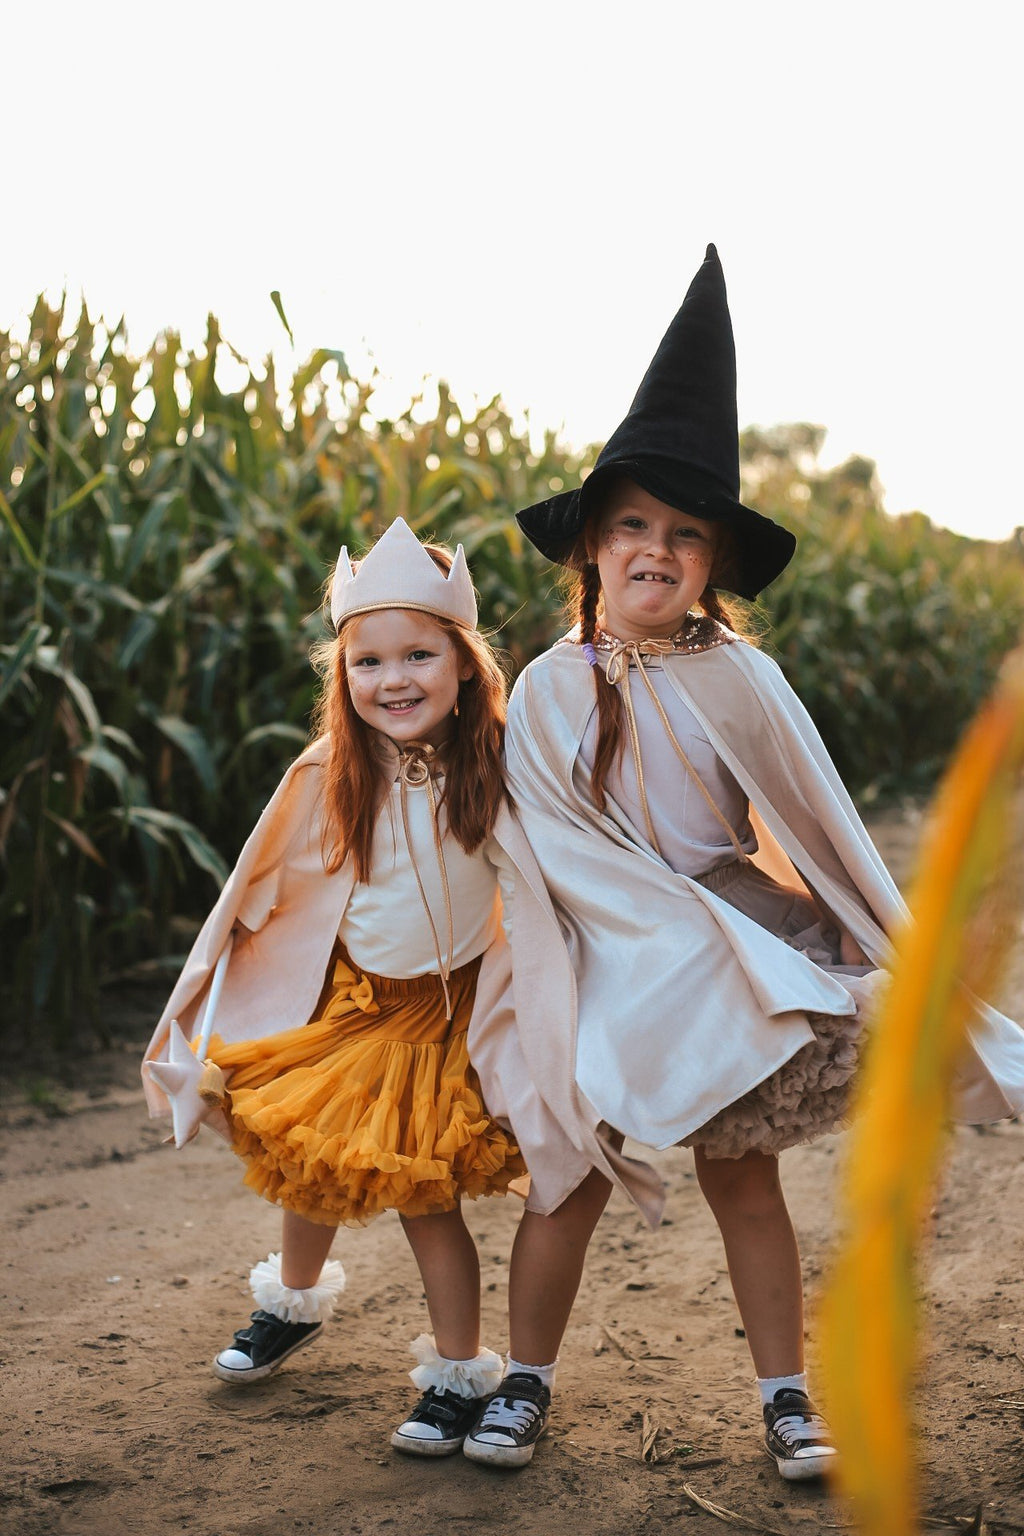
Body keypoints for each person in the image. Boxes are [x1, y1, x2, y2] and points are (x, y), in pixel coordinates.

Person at [462, 245, 1024, 1479]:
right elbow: (554, 843)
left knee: (744, 1177)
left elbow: (809, 821)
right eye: (631, 527)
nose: (654, 549)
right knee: (569, 1180)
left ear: (712, 562)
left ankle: (786, 1397)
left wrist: (809, 926)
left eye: (683, 533)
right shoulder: (551, 690)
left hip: (719, 942)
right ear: (591, 552)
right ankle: (521, 1383)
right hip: (599, 949)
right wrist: (656, 933)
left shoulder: (741, 676)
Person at [142, 518, 528, 1457]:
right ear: (341, 675)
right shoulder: (325, 773)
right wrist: (224, 986)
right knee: (316, 1160)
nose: (392, 680)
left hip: (445, 1017)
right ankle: (294, 1302)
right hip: (350, 1002)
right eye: (367, 663)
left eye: (419, 655)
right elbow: (260, 886)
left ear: (467, 664)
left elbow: (561, 883)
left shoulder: (504, 769)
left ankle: (457, 1372)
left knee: (420, 1193)